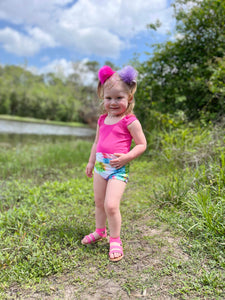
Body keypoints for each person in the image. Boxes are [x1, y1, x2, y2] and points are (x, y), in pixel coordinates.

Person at [81, 65, 147, 262]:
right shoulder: (102, 120)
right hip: (101, 167)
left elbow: (142, 144)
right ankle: (100, 231)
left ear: (129, 99)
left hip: (118, 169)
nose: (113, 102)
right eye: (109, 98)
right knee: (99, 203)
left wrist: (127, 157)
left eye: (119, 98)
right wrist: (91, 162)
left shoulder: (130, 121)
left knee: (111, 205)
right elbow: (96, 143)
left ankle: (115, 239)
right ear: (103, 98)